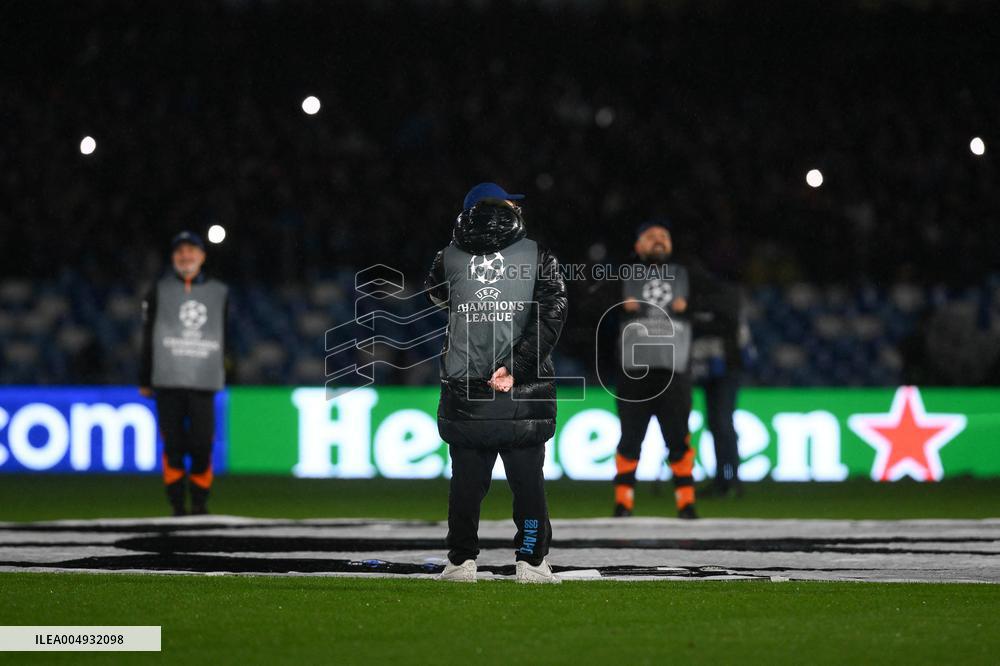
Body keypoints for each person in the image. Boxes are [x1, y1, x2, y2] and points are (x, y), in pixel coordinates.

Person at [425, 182, 567, 583]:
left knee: (466, 486)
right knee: (528, 485)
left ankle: (461, 560)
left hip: (464, 387)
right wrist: (516, 368)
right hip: (523, 390)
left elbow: (436, 295)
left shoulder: (446, 258)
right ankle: (532, 560)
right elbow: (552, 316)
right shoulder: (539, 255)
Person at [612, 221, 698, 519]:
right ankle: (623, 502)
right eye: (651, 237)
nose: (659, 240)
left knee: (678, 436)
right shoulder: (621, 275)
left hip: (674, 368)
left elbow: (716, 303)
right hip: (634, 370)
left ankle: (686, 502)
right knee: (630, 437)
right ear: (638, 246)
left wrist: (692, 306)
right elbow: (595, 308)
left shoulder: (688, 275)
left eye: (664, 235)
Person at [140, 231, 229, 516]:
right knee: (174, 445)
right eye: (180, 252)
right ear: (173, 258)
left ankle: (200, 503)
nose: (185, 256)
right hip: (167, 380)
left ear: (202, 256)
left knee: (202, 445)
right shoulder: (158, 290)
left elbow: (227, 334)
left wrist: (229, 370)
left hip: (204, 381)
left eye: (191, 251)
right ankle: (177, 505)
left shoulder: (220, 292)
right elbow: (147, 334)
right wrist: (144, 377)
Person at [690, 271, 749, 498]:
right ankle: (723, 479)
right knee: (716, 423)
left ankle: (731, 478)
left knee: (722, 423)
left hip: (728, 366)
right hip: (708, 366)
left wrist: (697, 322)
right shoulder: (708, 296)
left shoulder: (726, 295)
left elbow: (728, 325)